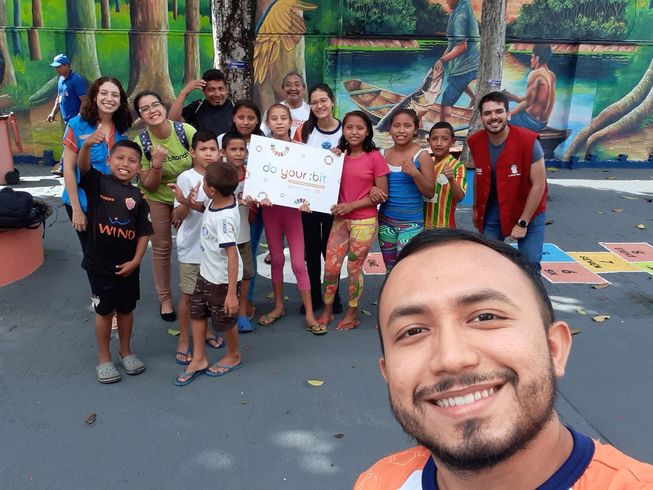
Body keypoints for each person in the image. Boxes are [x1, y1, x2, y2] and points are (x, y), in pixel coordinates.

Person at [355, 229, 653, 489]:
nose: (451, 358)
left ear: (555, 349)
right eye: (414, 331)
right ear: (388, 374)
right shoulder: (379, 481)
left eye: (485, 316)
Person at [76, 139, 152, 384]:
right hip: (100, 266)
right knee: (104, 311)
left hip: (128, 267)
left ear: (139, 168)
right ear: (108, 161)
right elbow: (83, 166)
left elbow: (143, 233)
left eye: (132, 161)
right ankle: (104, 358)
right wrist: (86, 146)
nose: (125, 164)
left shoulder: (139, 197)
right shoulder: (98, 183)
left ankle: (126, 351)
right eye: (119, 158)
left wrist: (136, 261)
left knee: (127, 309)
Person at [316, 111, 389, 333]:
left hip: (364, 222)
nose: (354, 132)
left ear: (368, 131)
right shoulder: (337, 156)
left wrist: (352, 206)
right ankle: (327, 309)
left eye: (360, 128)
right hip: (340, 221)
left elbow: (382, 193)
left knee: (354, 268)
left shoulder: (374, 157)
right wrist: (330, 160)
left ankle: (352, 312)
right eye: (349, 127)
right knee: (330, 268)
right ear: (343, 130)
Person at [173, 162, 243, 386]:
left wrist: (232, 293)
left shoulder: (224, 220)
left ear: (211, 189)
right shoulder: (216, 201)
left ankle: (233, 355)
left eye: (204, 181)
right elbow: (203, 209)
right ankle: (200, 358)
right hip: (206, 272)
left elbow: (232, 255)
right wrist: (184, 200)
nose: (201, 183)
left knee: (225, 321)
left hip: (222, 280)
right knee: (197, 312)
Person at [254, 104, 320, 333]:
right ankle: (278, 306)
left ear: (291, 122)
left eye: (284, 118)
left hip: (293, 214)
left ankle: (310, 313)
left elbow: (313, 178)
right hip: (271, 212)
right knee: (277, 260)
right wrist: (259, 196)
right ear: (268, 123)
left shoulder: (301, 149)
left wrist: (309, 198)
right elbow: (256, 182)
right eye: (274, 118)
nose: (279, 122)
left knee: (298, 264)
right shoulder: (261, 149)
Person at [133, 91, 197, 322]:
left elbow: (203, 168)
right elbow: (148, 184)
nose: (152, 110)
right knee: (161, 247)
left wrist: (185, 205)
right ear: (140, 116)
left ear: (163, 106)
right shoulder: (141, 143)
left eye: (156, 104)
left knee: (193, 244)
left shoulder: (185, 132)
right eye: (145, 108)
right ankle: (166, 300)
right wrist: (157, 165)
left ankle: (196, 293)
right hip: (158, 197)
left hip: (189, 196)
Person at [468, 91, 547, 272]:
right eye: (487, 113)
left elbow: (539, 185)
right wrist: (475, 207)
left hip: (528, 209)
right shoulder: (475, 141)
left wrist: (522, 223)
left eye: (498, 111)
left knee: (530, 263)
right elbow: (479, 176)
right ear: (481, 117)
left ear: (508, 114)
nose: (493, 117)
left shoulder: (529, 141)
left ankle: (529, 298)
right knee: (489, 261)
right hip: (493, 210)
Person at [169, 131, 225, 366]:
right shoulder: (186, 178)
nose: (208, 153)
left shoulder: (223, 177)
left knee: (211, 295)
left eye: (213, 149)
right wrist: (186, 202)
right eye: (203, 149)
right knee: (189, 296)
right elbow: (177, 216)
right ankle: (184, 337)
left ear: (219, 153)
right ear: (193, 152)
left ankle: (207, 330)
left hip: (216, 250)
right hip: (192, 249)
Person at [61, 76, 133, 252]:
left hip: (112, 204)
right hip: (84, 203)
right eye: (104, 93)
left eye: (115, 95)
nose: (109, 98)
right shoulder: (77, 125)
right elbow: (69, 170)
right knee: (92, 255)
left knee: (114, 252)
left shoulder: (122, 129)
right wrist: (77, 210)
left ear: (120, 101)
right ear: (94, 96)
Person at [294, 83, 344, 314]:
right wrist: (299, 199)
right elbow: (295, 165)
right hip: (309, 203)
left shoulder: (346, 131)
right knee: (312, 250)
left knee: (331, 250)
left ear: (332, 101)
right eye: (314, 102)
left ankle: (333, 294)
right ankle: (314, 295)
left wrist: (342, 153)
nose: (319, 105)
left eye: (323, 100)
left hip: (337, 203)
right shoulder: (304, 131)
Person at [378, 109, 434, 271]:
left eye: (407, 125)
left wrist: (415, 173)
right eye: (396, 125)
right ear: (390, 129)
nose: (401, 130)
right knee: (390, 269)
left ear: (415, 129)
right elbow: (375, 185)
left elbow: (429, 192)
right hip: (385, 222)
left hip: (411, 225)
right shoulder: (382, 155)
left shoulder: (422, 156)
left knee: (406, 270)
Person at [219, 132, 256, 333]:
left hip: (243, 234)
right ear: (223, 152)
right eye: (233, 149)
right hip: (222, 239)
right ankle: (223, 310)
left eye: (242, 149)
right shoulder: (217, 175)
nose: (238, 153)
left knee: (246, 275)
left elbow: (260, 198)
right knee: (221, 276)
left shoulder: (252, 174)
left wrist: (256, 203)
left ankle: (242, 313)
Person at [432, 0, 479, 122]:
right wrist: (441, 61)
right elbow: (452, 44)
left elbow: (462, 46)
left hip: (466, 65)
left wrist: (442, 60)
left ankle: (444, 128)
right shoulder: (463, 6)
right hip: (473, 62)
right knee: (454, 79)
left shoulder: (459, 16)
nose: (446, 1)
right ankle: (473, 97)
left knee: (446, 100)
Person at [47, 54, 88, 176]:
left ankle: (63, 168)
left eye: (59, 67)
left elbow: (84, 100)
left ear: (66, 66)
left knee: (68, 143)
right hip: (67, 120)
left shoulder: (76, 80)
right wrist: (53, 112)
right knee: (72, 144)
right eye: (55, 67)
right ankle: (69, 167)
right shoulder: (60, 80)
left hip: (74, 120)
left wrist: (78, 118)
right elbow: (59, 98)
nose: (56, 69)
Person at [504, 43, 557, 132]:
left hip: (530, 121)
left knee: (497, 119)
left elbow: (528, 102)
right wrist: (511, 97)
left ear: (537, 58)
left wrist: (508, 114)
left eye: (532, 57)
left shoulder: (535, 74)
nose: (531, 59)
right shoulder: (551, 75)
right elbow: (534, 100)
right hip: (542, 122)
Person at [423, 122, 466, 229]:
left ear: (452, 141)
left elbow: (459, 197)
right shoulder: (425, 164)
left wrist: (451, 179)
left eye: (444, 139)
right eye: (434, 139)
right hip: (421, 226)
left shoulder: (457, 166)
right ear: (429, 141)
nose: (439, 143)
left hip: (445, 227)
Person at [169, 68, 234, 135]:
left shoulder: (235, 107)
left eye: (221, 89)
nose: (217, 94)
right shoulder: (197, 107)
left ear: (226, 89)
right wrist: (184, 93)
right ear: (204, 91)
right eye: (211, 90)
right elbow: (173, 124)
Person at [260, 72, 311, 138]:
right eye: (288, 85)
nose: (293, 88)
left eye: (297, 85)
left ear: (303, 88)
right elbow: (263, 134)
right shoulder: (272, 111)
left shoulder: (311, 111)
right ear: (283, 88)